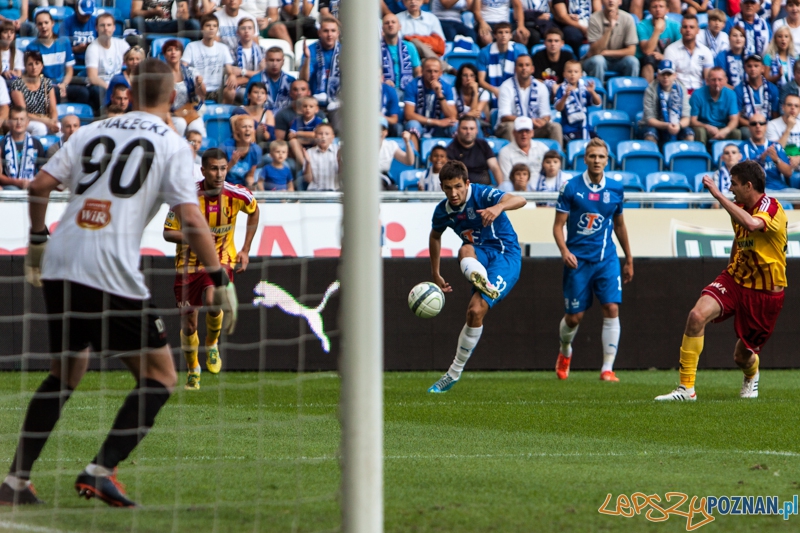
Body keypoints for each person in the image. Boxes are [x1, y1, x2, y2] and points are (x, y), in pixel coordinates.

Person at [0, 58, 238, 508]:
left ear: (132, 91)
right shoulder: (171, 144)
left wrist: (37, 240)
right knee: (161, 376)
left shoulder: (91, 130)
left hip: (62, 258)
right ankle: (100, 471)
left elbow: (39, 186)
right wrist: (219, 276)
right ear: (172, 97)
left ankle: (15, 481)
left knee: (66, 372)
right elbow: (191, 218)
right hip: (109, 267)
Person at [655, 161, 786, 401]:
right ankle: (686, 389)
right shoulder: (739, 206)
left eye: (733, 184)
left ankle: (752, 374)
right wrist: (729, 269)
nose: (730, 188)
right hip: (736, 279)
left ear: (748, 185)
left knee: (742, 357)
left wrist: (717, 195)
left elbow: (751, 224)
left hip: (765, 292)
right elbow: (740, 237)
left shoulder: (771, 206)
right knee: (696, 316)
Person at [427, 160, 526, 393]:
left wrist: (499, 207)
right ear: (442, 187)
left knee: (475, 311)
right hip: (478, 255)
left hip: (505, 256)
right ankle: (483, 282)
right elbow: (435, 236)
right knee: (465, 250)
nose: (454, 193)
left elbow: (520, 199)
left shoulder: (482, 194)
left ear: (467, 183)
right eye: (448, 188)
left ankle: (453, 373)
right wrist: (435, 273)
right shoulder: (443, 211)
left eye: (458, 187)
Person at [164, 147, 258, 390]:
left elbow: (254, 211)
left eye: (223, 168)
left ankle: (212, 343)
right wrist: (196, 237)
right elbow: (168, 232)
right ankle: (193, 369)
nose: (219, 174)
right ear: (203, 170)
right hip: (188, 265)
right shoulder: (186, 198)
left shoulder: (238, 194)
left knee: (213, 298)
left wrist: (245, 249)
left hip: (221, 259)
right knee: (189, 325)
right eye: (214, 169)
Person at [553, 138, 633, 383]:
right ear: (585, 159)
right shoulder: (570, 187)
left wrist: (629, 258)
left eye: (601, 157)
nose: (597, 160)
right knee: (574, 317)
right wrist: (564, 251)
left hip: (606, 259)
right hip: (577, 261)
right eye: (592, 156)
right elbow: (558, 226)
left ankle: (607, 368)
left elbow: (619, 225)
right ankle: (565, 351)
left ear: (607, 160)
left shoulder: (616, 189)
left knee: (611, 308)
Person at [496, 55, 561, 145]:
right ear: (515, 69)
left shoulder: (541, 87)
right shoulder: (506, 86)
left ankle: (556, 154)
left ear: (532, 69)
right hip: (514, 127)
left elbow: (545, 114)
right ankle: (513, 153)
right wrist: (527, 121)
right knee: (510, 126)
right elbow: (504, 117)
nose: (524, 68)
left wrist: (543, 121)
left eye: (527, 65)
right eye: (520, 65)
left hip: (534, 128)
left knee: (555, 127)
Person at [27, 10, 88, 105]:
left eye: (46, 23)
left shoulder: (64, 42)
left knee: (83, 93)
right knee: (54, 93)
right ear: (36, 26)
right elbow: (34, 73)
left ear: (52, 23)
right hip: (44, 86)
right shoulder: (32, 47)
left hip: (63, 84)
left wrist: (64, 84)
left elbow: (69, 70)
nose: (43, 26)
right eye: (40, 24)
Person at [403, 57, 458, 150]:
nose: (433, 75)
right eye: (429, 71)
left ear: (440, 73)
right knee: (413, 124)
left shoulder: (446, 87)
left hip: (439, 129)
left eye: (436, 71)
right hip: (420, 125)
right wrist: (436, 122)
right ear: (422, 71)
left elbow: (452, 116)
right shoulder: (412, 85)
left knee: (455, 125)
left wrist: (439, 94)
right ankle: (414, 157)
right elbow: (408, 115)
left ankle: (456, 158)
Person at [182, 15, 235, 104]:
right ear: (202, 29)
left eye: (214, 26)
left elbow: (229, 69)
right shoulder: (192, 46)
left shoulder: (223, 48)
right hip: (197, 89)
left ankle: (224, 111)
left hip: (217, 91)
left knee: (231, 92)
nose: (211, 28)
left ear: (217, 29)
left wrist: (232, 75)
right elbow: (183, 67)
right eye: (208, 25)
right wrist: (194, 77)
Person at [85, 13, 130, 117]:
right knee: (99, 92)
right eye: (102, 25)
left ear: (114, 28)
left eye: (109, 25)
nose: (106, 28)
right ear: (96, 28)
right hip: (100, 85)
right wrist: (111, 88)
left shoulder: (121, 44)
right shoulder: (92, 48)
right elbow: (93, 77)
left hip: (118, 83)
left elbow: (134, 63)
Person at [583, 0, 640, 82]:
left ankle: (629, 89)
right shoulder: (594, 18)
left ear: (620, 1)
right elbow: (595, 51)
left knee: (632, 61)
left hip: (619, 60)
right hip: (598, 60)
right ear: (602, 1)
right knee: (598, 61)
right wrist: (609, 28)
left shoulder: (628, 18)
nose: (611, 1)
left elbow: (631, 51)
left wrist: (606, 52)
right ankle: (597, 89)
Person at [641, 59, 694, 145]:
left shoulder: (681, 89)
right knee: (650, 135)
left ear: (674, 76)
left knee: (689, 134)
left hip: (676, 125)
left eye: (669, 74)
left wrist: (678, 125)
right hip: (655, 126)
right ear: (658, 75)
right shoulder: (650, 89)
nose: (665, 77)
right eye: (663, 74)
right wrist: (667, 126)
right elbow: (650, 120)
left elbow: (686, 118)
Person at [742, 112, 796, 190]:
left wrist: (777, 160)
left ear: (766, 126)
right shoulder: (743, 147)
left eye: (761, 123)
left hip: (780, 189)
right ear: (749, 127)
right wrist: (760, 159)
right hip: (757, 190)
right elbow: (742, 174)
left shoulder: (776, 146)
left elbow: (789, 173)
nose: (758, 126)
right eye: (754, 124)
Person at [163, 39, 206, 136]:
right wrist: (169, 121)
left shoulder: (191, 72)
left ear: (181, 54)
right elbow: (160, 102)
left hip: (190, 112)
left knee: (197, 127)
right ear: (165, 55)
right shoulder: (161, 75)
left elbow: (203, 95)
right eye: (169, 50)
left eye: (177, 49)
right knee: (180, 123)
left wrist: (199, 84)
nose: (173, 52)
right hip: (171, 114)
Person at [477, 23, 529, 103]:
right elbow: (481, 81)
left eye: (506, 32)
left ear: (511, 35)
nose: (503, 35)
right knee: (484, 95)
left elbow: (525, 74)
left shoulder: (520, 50)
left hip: (514, 88)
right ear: (495, 35)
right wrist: (495, 90)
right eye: (500, 32)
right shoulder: (484, 52)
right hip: (492, 89)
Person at [10, 51, 58, 137]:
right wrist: (46, 122)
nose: (34, 67)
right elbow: (23, 112)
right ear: (25, 67)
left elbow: (53, 109)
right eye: (30, 64)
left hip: (45, 119)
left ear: (42, 66)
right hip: (25, 120)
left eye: (37, 63)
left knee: (59, 127)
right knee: (40, 128)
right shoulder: (17, 84)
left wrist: (53, 121)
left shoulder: (47, 83)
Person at [690, 67, 742, 145]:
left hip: (723, 127)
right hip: (704, 127)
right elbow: (692, 121)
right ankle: (701, 152)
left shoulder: (731, 94)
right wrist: (707, 126)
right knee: (700, 131)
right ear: (707, 81)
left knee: (736, 133)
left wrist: (726, 130)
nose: (717, 83)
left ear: (726, 80)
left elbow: (734, 119)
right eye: (713, 80)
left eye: (720, 80)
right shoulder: (697, 94)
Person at [663, 15, 714, 93]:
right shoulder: (671, 50)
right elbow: (668, 78)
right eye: (685, 27)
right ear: (680, 30)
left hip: (699, 93)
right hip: (677, 92)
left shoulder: (705, 51)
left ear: (698, 30)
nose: (688, 30)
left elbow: (708, 79)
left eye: (691, 27)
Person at [554, 59, 602, 143]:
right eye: (569, 71)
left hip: (586, 127)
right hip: (569, 129)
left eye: (576, 72)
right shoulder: (562, 89)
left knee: (599, 143)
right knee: (576, 144)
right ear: (564, 74)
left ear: (581, 74)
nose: (572, 74)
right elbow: (558, 108)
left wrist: (592, 92)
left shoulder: (584, 88)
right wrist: (565, 97)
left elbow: (598, 102)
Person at [446, 116, 503, 185]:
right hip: (463, 187)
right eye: (465, 128)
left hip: (485, 187)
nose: (468, 132)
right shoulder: (451, 148)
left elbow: (494, 167)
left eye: (472, 128)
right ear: (458, 130)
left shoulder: (483, 145)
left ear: (477, 130)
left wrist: (501, 186)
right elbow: (451, 174)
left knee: (506, 186)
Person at [300, 17, 341, 111]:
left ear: (338, 33)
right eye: (326, 31)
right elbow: (304, 79)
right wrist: (307, 58)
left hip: (338, 102)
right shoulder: (310, 50)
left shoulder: (345, 51)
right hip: (314, 103)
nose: (329, 34)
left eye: (333, 31)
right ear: (319, 33)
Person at [0, 106, 45, 190]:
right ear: (9, 122)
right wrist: (17, 182)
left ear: (27, 122)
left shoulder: (37, 144)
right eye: (15, 119)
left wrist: (33, 182)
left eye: (22, 119)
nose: (19, 122)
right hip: (10, 187)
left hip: (31, 184)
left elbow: (43, 171)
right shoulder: (2, 144)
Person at [736, 55, 781, 138]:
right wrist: (754, 125)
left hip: (768, 125)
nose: (753, 69)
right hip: (748, 126)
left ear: (762, 69)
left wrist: (765, 126)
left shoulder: (772, 89)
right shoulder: (739, 89)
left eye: (756, 66)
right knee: (745, 132)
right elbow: (737, 118)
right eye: (749, 66)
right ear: (745, 68)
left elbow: (775, 115)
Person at [637, 0, 682, 82]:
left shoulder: (675, 26)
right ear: (649, 10)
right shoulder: (642, 26)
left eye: (661, 6)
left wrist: (664, 57)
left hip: (670, 59)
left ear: (667, 10)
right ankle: (650, 89)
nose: (658, 9)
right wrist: (657, 30)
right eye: (654, 7)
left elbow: (680, 50)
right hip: (651, 60)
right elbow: (647, 51)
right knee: (648, 59)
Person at [381, 13, 422, 101]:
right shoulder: (376, 49)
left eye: (393, 22)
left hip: (408, 91)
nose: (390, 25)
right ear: (382, 28)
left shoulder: (409, 47)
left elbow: (418, 71)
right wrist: (383, 82)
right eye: (387, 23)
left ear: (399, 27)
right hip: (385, 90)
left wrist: (415, 87)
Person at [245, 47, 295, 113]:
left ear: (283, 61)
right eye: (271, 60)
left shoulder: (291, 81)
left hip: (285, 117)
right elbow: (246, 103)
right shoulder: (255, 80)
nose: (274, 64)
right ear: (266, 61)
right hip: (261, 115)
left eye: (278, 60)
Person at [221, 114, 263, 190]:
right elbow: (219, 175)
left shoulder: (256, 150)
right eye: (244, 127)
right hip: (225, 186)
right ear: (237, 130)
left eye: (250, 127)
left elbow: (250, 176)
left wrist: (251, 186)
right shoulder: (225, 147)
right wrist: (232, 163)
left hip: (242, 188)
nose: (247, 129)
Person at [533, 27, 575, 96]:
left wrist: (559, 88)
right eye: (550, 41)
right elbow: (535, 80)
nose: (553, 44)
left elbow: (573, 78)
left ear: (562, 43)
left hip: (564, 92)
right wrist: (551, 86)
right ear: (544, 43)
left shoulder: (568, 56)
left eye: (556, 41)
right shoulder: (538, 56)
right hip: (543, 92)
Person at [230, 18, 263, 103]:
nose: (246, 31)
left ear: (254, 31)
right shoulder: (232, 51)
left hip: (260, 86)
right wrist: (254, 75)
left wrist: (243, 72)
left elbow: (263, 74)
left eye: (249, 28)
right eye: (243, 28)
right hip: (240, 88)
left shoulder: (262, 51)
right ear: (238, 32)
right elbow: (233, 73)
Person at [131, 0, 200, 37]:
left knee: (193, 23)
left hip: (170, 25)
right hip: (149, 25)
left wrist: (181, 14)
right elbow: (134, 13)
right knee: (137, 21)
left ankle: (191, 52)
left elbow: (185, 16)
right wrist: (152, 12)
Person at [59, 0, 97, 68]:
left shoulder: (96, 21)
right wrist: (75, 49)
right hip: (72, 60)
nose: (86, 16)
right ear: (76, 8)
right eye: (84, 14)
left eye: (89, 14)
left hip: (94, 60)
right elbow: (60, 47)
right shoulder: (67, 23)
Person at [303, 122, 340, 191]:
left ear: (332, 137)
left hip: (334, 190)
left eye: (327, 134)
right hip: (315, 191)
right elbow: (308, 180)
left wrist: (339, 160)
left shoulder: (338, 151)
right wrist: (308, 163)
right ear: (315, 136)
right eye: (320, 134)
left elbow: (344, 176)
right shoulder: (309, 152)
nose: (323, 137)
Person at [288, 96, 323, 161]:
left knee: (318, 139)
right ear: (300, 109)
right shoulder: (297, 120)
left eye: (311, 106)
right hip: (300, 145)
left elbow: (315, 134)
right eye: (305, 106)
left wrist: (298, 134)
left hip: (313, 143)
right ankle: (303, 163)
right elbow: (290, 135)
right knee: (292, 141)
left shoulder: (318, 121)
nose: (307, 109)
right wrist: (308, 135)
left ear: (316, 109)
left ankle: (314, 160)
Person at [767, 94, 800, 162]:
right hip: (780, 163)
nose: (793, 108)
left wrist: (798, 159)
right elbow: (775, 151)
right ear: (783, 107)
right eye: (789, 105)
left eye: (796, 106)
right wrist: (788, 128)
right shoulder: (772, 125)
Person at [714, 25, 746, 89]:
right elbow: (719, 80)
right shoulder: (721, 56)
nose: (738, 39)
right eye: (735, 35)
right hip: (728, 92)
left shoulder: (750, 56)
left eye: (741, 36)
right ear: (729, 38)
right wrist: (736, 91)